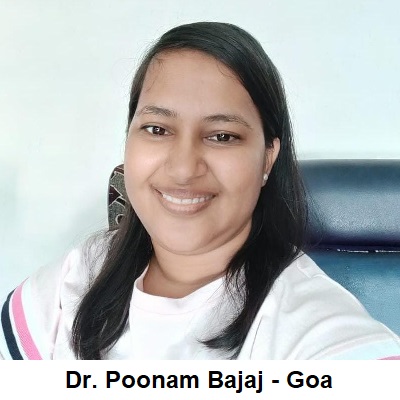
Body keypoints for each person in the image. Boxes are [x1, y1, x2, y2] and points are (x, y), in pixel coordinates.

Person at [1, 22, 399, 360]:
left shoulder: (312, 329)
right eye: (157, 129)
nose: (183, 168)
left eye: (222, 136)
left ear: (267, 158)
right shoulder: (77, 276)